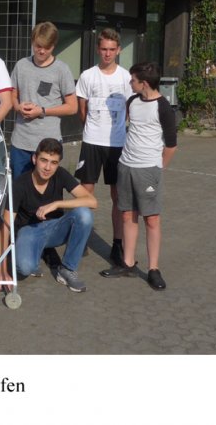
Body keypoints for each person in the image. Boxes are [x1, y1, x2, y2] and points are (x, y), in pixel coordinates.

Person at [100, 62, 177, 290]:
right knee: (127, 216)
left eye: (133, 80)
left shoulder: (164, 108)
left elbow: (171, 146)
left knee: (151, 220)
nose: (130, 83)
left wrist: (158, 168)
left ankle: (153, 269)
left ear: (143, 83)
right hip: (126, 166)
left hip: (149, 170)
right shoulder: (132, 101)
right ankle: (128, 263)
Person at [0, 138, 97, 293]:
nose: (48, 167)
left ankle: (67, 269)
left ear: (58, 164)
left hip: (54, 228)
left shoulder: (61, 174)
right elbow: (5, 226)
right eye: (43, 160)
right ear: (34, 159)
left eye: (53, 162)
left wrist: (57, 204)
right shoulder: (20, 184)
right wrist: (1, 270)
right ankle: (33, 253)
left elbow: (92, 202)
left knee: (84, 214)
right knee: (25, 268)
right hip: (28, 231)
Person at [74, 28, 132, 266]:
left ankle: (117, 244)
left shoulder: (126, 78)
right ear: (98, 49)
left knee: (117, 196)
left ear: (118, 50)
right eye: (104, 49)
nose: (107, 53)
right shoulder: (87, 76)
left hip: (117, 145)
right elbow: (82, 111)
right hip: (91, 142)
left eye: (112, 49)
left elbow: (129, 110)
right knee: (85, 192)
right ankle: (82, 238)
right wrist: (93, 129)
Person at [9, 21, 77, 178]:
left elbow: (72, 107)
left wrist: (42, 111)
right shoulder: (21, 65)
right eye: (38, 46)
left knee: (46, 188)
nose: (41, 51)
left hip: (48, 144)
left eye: (47, 48)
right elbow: (12, 94)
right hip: (21, 141)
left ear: (54, 46)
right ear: (32, 41)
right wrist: (18, 107)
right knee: (19, 187)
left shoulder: (62, 69)